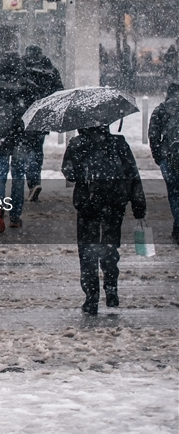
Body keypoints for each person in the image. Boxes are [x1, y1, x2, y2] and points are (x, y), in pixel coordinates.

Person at [62, 124, 145, 315]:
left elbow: (69, 174)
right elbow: (132, 174)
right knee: (110, 246)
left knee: (87, 251)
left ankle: (91, 298)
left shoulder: (77, 143)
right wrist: (138, 205)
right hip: (114, 201)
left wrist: (84, 168)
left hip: (87, 204)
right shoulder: (118, 143)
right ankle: (111, 288)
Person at [0, 53, 40, 233]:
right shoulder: (29, 86)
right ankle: (15, 216)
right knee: (18, 176)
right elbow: (34, 115)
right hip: (21, 138)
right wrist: (31, 137)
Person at [21, 46, 64, 201]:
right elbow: (59, 92)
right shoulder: (49, 69)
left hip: (25, 114)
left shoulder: (22, 68)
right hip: (42, 115)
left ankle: (32, 182)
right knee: (37, 149)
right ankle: (35, 180)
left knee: (27, 150)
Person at [148, 82, 179, 245]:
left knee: (174, 194)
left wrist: (159, 158)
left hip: (169, 159)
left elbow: (153, 136)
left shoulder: (160, 110)